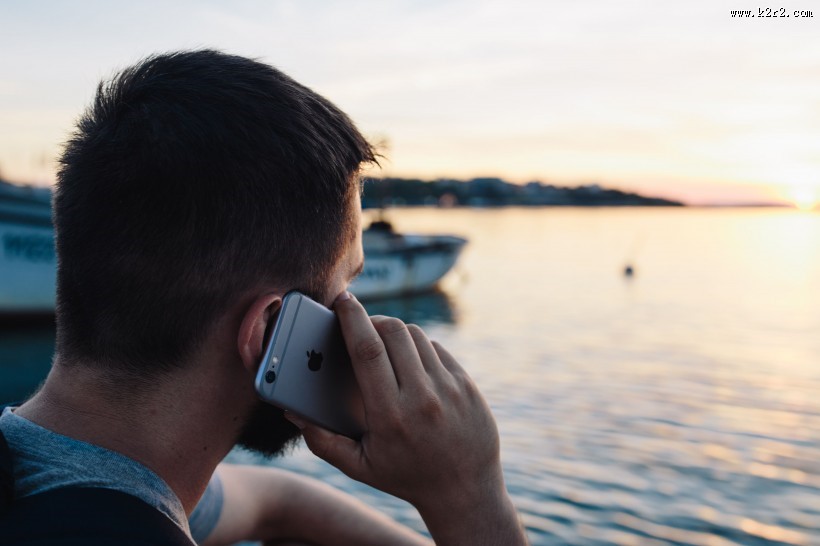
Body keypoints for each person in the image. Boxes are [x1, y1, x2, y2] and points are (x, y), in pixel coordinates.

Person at [0, 50, 528, 545]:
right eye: (345, 289)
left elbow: (279, 499)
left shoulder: (60, 472)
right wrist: (471, 497)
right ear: (270, 330)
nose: (359, 322)